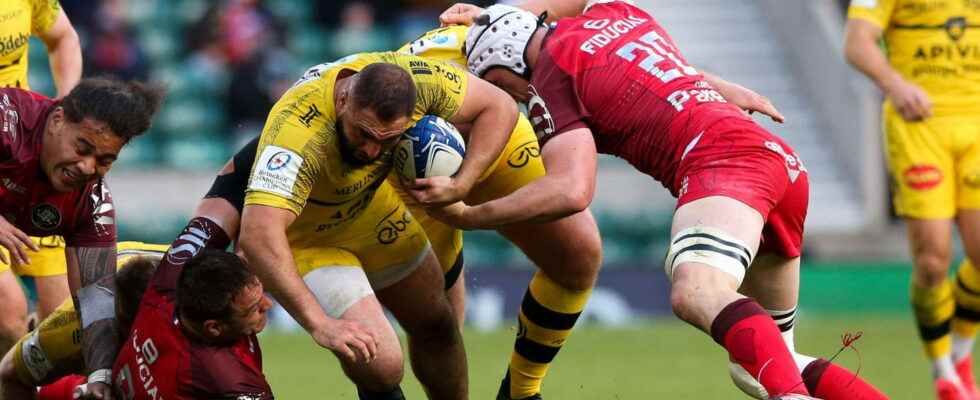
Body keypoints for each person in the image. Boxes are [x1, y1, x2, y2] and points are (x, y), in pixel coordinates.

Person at [433, 1, 889, 399]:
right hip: (779, 162)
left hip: (723, 162)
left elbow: (571, 190)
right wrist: (490, 19)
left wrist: (473, 214)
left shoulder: (550, 77)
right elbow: (654, 64)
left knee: (696, 291)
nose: (505, 96)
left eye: (494, 81)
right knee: (764, 365)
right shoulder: (619, 15)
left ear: (505, 63)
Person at [238, 54, 518, 400]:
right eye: (364, 133)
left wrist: (463, 184)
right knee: (381, 362)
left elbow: (500, 105)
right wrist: (319, 324)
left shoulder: (422, 81)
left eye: (387, 140)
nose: (372, 151)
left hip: (370, 212)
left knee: (438, 325)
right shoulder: (297, 132)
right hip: (305, 240)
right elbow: (258, 235)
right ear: (343, 100)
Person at [395, 25, 604, 398]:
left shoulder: (521, 36)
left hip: (500, 139)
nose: (539, 92)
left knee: (578, 256)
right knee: (439, 326)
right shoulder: (407, 87)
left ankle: (521, 393)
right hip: (414, 166)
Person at [845, 2, 980, 399]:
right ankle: (942, 371)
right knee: (933, 259)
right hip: (920, 125)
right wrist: (896, 84)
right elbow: (857, 42)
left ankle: (960, 357)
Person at [0, 77, 163, 399]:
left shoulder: (91, 205)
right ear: (57, 119)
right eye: (82, 148)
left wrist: (99, 377)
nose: (87, 167)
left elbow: (96, 303)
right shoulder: (8, 122)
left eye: (104, 161)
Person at [0, 0, 84, 355]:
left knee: (59, 326)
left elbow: (63, 37)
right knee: (9, 318)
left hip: (23, 162)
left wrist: (66, 105)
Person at [0, 242, 167, 400]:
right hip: (91, 322)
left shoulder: (188, 303)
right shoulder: (77, 323)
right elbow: (11, 376)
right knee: (12, 325)